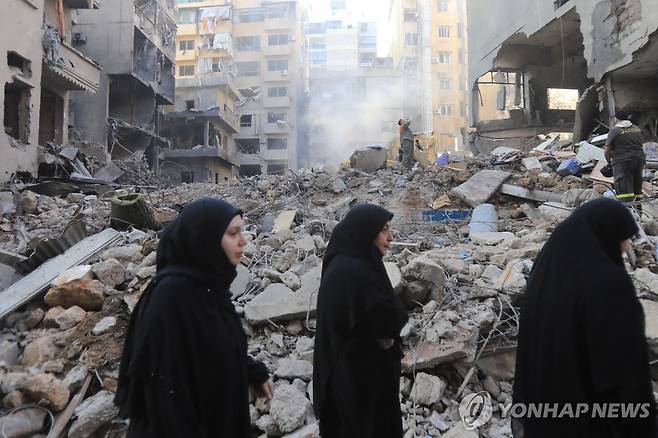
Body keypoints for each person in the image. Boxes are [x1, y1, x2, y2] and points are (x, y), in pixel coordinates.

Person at [115, 198, 273, 438]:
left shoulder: (208, 288)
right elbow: (166, 394)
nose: (243, 241)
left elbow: (212, 345)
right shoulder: (172, 298)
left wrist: (251, 372)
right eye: (233, 233)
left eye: (241, 231)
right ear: (205, 240)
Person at [513, 198, 657, 438]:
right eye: (623, 238)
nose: (625, 247)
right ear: (606, 236)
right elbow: (625, 376)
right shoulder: (608, 286)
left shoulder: (546, 278)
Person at [313, 204, 409, 438]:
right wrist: (389, 333)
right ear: (366, 231)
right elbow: (390, 321)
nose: (390, 237)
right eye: (384, 229)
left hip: (346, 384)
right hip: (362, 393)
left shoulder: (342, 263)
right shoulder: (358, 272)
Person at [604, 110, 646, 203]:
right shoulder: (636, 128)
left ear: (616, 118)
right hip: (639, 160)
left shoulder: (615, 130)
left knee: (623, 188)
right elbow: (640, 145)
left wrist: (610, 164)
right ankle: (638, 212)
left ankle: (625, 212)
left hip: (622, 162)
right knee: (637, 186)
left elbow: (606, 151)